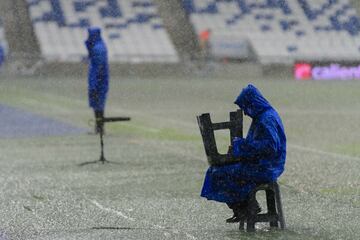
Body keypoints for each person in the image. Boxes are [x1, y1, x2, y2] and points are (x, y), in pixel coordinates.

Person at [201, 84, 286, 223]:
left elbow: (270, 147)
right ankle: (244, 207)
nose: (245, 112)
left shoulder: (266, 119)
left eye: (245, 107)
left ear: (252, 103)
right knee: (219, 171)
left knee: (218, 173)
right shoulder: (263, 116)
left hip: (265, 167)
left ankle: (246, 207)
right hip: (262, 164)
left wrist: (242, 146)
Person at [85, 27, 109, 134]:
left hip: (99, 81)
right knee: (98, 105)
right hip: (99, 80)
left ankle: (100, 128)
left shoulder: (98, 48)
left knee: (98, 105)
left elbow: (98, 69)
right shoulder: (98, 46)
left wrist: (94, 84)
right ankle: (99, 127)